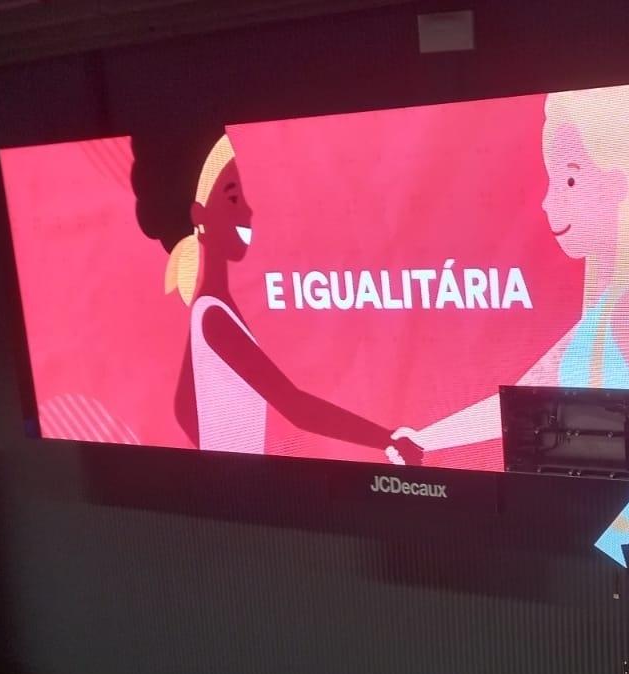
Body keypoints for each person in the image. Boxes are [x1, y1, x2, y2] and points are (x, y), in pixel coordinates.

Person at [388, 84, 629, 462]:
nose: (548, 201)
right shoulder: (601, 317)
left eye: (569, 180)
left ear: (620, 184)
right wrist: (427, 439)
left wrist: (624, 525)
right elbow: (517, 401)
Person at [132, 126, 418, 461]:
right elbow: (295, 407)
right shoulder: (213, 317)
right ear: (199, 214)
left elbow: (183, 409)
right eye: (233, 197)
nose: (248, 211)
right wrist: (387, 439)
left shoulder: (210, 309)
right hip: (240, 494)